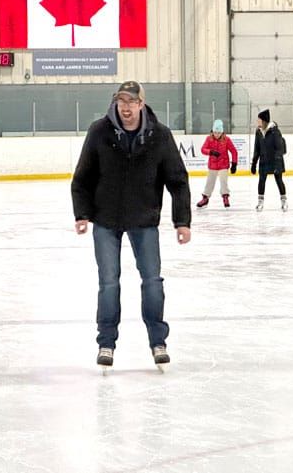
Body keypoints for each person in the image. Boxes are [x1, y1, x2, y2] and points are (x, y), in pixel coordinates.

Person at [71, 80, 191, 371]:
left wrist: (182, 221)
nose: (125, 107)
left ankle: (158, 341)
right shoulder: (99, 131)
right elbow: (82, 177)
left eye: (131, 101)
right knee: (108, 282)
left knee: (152, 281)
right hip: (106, 219)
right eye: (121, 101)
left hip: (144, 219)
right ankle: (106, 343)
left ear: (141, 104)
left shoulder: (159, 135)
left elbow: (177, 180)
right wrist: (82, 213)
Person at [250, 109, 287, 212]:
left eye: (259, 119)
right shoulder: (258, 132)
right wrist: (254, 163)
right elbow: (257, 149)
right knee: (261, 181)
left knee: (279, 181)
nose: (257, 121)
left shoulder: (275, 131)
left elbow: (280, 148)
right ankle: (260, 202)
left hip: (276, 161)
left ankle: (284, 201)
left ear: (264, 121)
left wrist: (277, 162)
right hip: (264, 161)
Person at [196, 119, 238, 208]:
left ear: (222, 132)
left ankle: (225, 197)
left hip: (223, 165)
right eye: (215, 132)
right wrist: (211, 152)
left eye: (219, 133)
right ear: (212, 131)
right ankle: (205, 198)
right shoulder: (209, 139)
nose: (217, 134)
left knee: (223, 181)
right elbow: (203, 149)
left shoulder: (226, 139)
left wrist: (234, 163)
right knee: (209, 182)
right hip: (213, 165)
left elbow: (234, 151)